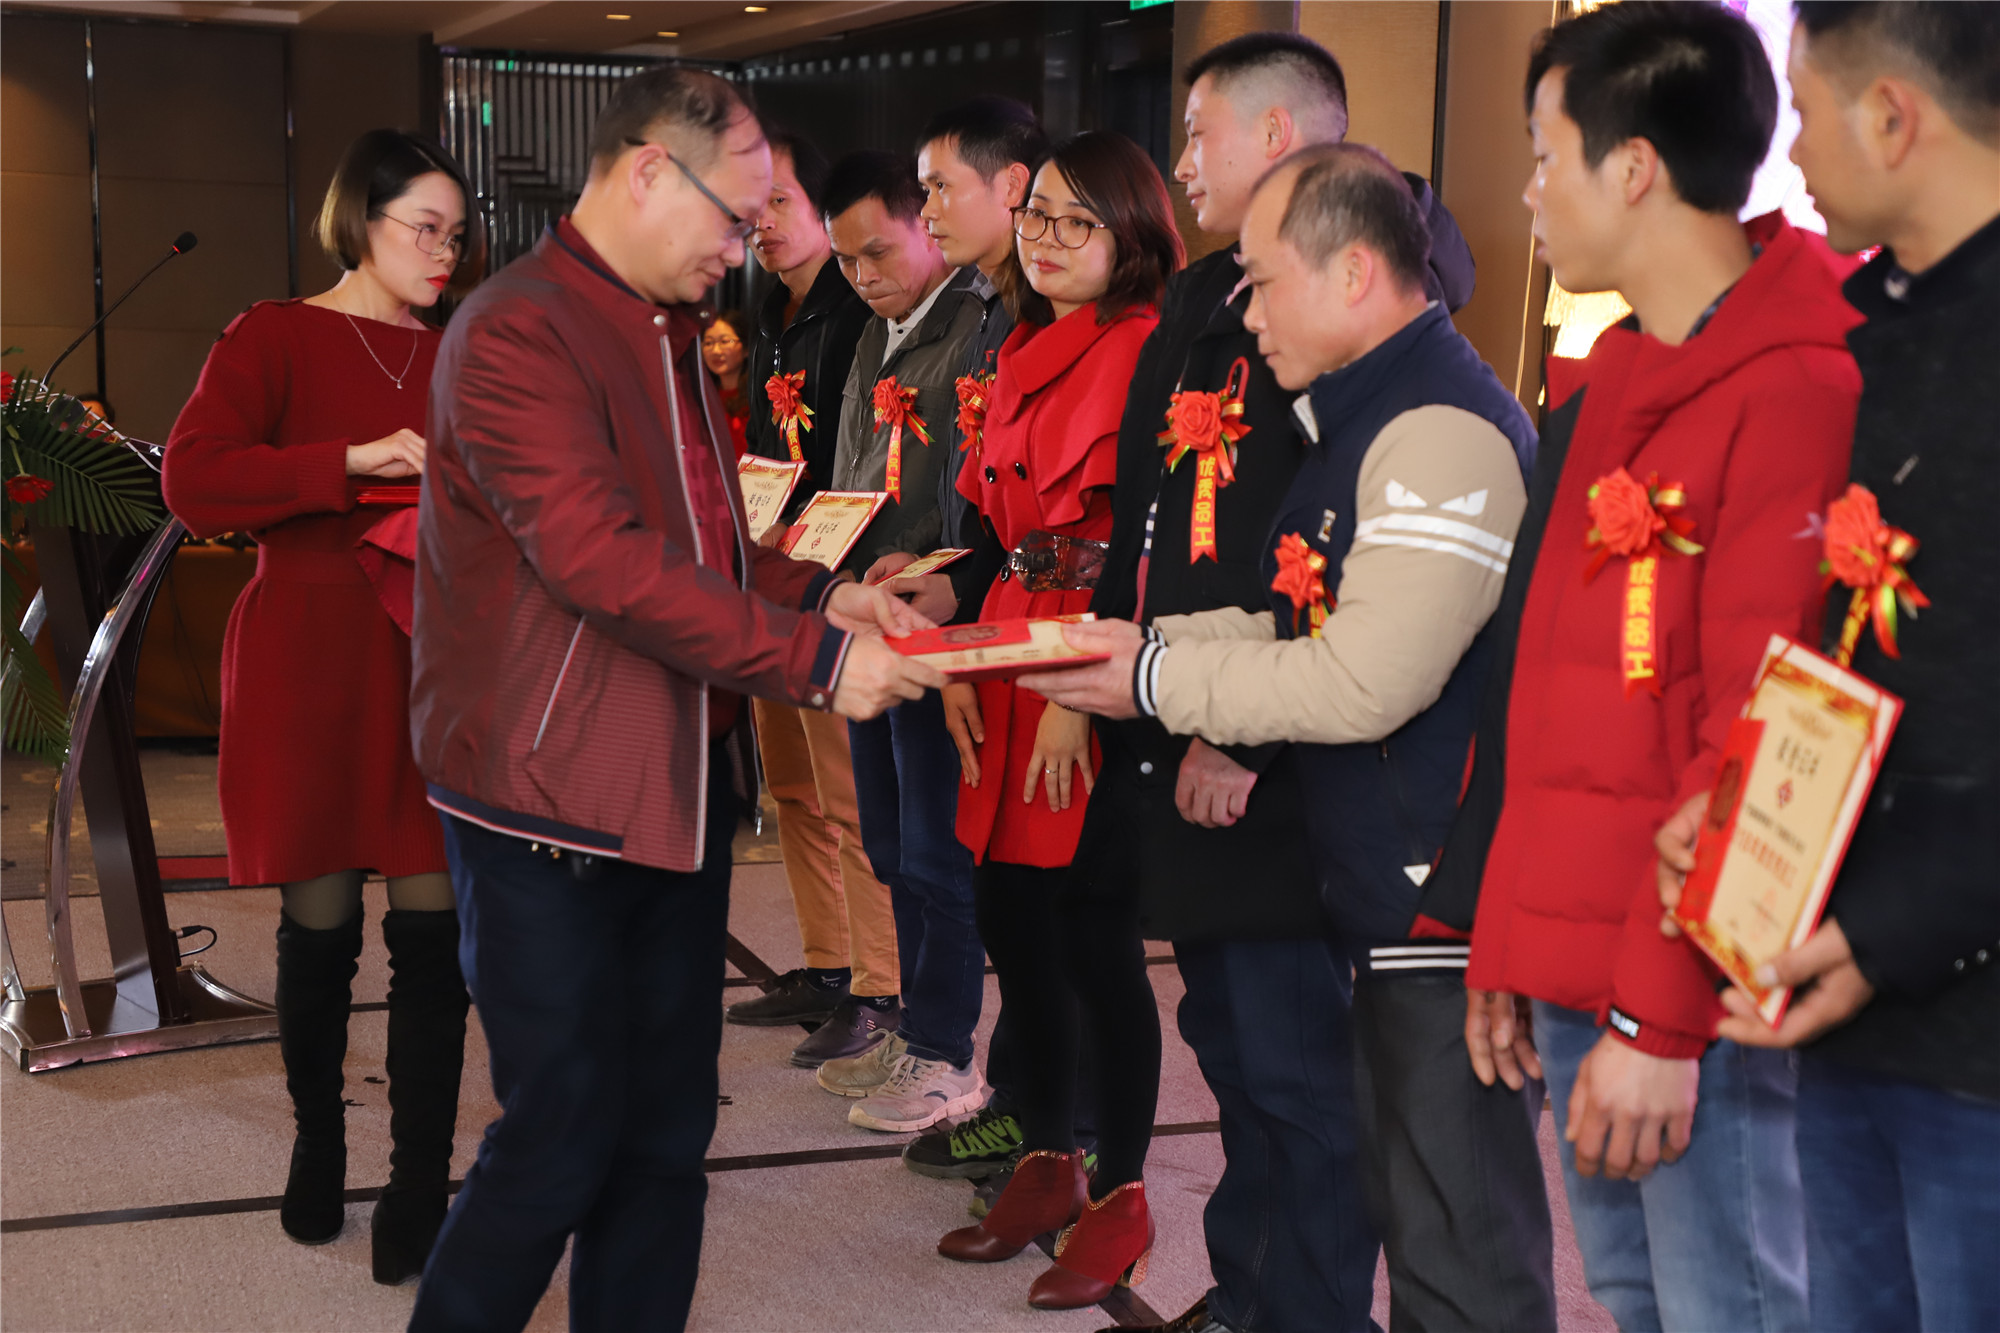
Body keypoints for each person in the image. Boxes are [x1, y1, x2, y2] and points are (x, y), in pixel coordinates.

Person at [404, 68, 943, 1331]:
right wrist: (815, 665)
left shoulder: (663, 330)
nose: (741, 250)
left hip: (674, 789)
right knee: (559, 1135)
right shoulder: (518, 330)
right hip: (545, 800)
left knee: (662, 1140)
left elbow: (702, 544)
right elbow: (597, 559)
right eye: (732, 218)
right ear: (649, 170)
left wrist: (825, 597)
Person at [1040, 31, 1505, 1333]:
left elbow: (1339, 622)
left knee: (1328, 1098)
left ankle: (1296, 1306)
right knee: (1247, 1064)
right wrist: (1131, 666)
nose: (1182, 163)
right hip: (1223, 723)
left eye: (1199, 134)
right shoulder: (1244, 319)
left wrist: (1205, 714)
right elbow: (1184, 528)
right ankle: (1257, 1293)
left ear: (1280, 139)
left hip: (1310, 781)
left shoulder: (1402, 371)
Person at [1413, 5, 1863, 1328]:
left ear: (1634, 168)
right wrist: (1508, 935)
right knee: (1632, 1295)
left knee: (1730, 1304)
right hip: (1583, 945)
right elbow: (1546, 693)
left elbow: (1762, 737)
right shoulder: (1617, 372)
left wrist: (1663, 1020)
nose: (1527, 193)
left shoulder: (1796, 383)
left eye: (1543, 156)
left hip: (1693, 986)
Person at [1652, 4, 2000, 1327]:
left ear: (1894, 117)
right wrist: (1739, 808)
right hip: (1846, 975)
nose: (1791, 151)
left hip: (1962, 1006)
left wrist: (1890, 927)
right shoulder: (1870, 326)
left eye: (1805, 111)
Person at [161, 129, 484, 1286]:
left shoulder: (462, 353)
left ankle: (417, 1179)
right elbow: (193, 479)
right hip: (306, 653)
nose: (445, 252)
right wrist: (345, 460)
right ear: (360, 223)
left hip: (433, 658)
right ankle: (317, 1141)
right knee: (320, 923)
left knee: (435, 935)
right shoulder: (272, 333)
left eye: (457, 233)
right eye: (424, 228)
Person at [935, 130, 1181, 1312]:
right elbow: (998, 531)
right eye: (1035, 213)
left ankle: (1121, 1188)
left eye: (1075, 221)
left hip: (1089, 657)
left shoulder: (1143, 349)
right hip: (1010, 640)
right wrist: (952, 650)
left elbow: (1136, 542)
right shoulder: (1023, 341)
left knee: (1092, 935)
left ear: (1130, 234)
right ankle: (1045, 1154)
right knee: (1008, 915)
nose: (1044, 238)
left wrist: (1080, 691)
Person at [895, 95, 1067, 1186]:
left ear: (1010, 186)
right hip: (997, 621)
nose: (925, 212)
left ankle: (1063, 1132)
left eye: (938, 187)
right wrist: (947, 589)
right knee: (996, 887)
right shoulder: (999, 316)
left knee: (1057, 917)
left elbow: (1080, 531)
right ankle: (1022, 1101)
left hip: (1060, 645)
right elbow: (992, 517)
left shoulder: (1066, 324)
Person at [809, 150, 993, 1126]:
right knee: (885, 838)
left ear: (926, 224)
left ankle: (945, 1051)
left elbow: (976, 498)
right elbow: (853, 475)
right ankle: (918, 1028)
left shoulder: (974, 327)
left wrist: (926, 566)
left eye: (877, 252)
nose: (862, 275)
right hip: (869, 622)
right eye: (845, 260)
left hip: (931, 619)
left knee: (933, 847)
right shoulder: (876, 333)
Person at [724, 131, 892, 1063]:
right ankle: (827, 964)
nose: (761, 222)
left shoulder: (858, 311)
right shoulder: (769, 316)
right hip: (772, 568)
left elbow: (866, 462)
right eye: (752, 206)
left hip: (833, 575)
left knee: (850, 792)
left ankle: (880, 980)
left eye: (781, 201)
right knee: (791, 783)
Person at [699, 309, 749, 456]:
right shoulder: (702, 398)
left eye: (724, 341)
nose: (716, 351)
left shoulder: (759, 398)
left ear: (746, 348)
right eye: (708, 343)